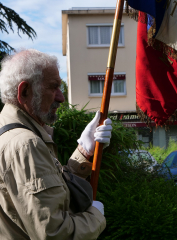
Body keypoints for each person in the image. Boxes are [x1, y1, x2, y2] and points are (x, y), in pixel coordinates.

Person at [0, 49, 112, 239]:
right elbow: (55, 233)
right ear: (24, 91)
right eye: (54, 87)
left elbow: (51, 197)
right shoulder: (26, 145)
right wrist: (96, 216)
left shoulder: (10, 131)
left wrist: (84, 152)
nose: (61, 97)